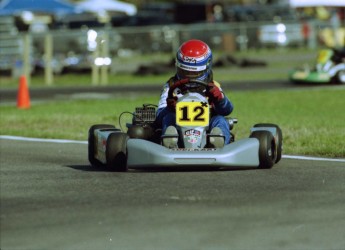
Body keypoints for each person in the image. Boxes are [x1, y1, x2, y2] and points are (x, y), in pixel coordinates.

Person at [155, 39, 234, 148]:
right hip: (179, 129)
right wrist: (169, 107)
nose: (188, 77)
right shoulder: (170, 86)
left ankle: (217, 142)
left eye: (194, 73)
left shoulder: (213, 86)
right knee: (169, 117)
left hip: (206, 129)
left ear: (206, 69)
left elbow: (227, 110)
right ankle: (171, 142)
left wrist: (220, 99)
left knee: (220, 119)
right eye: (185, 72)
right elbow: (159, 116)